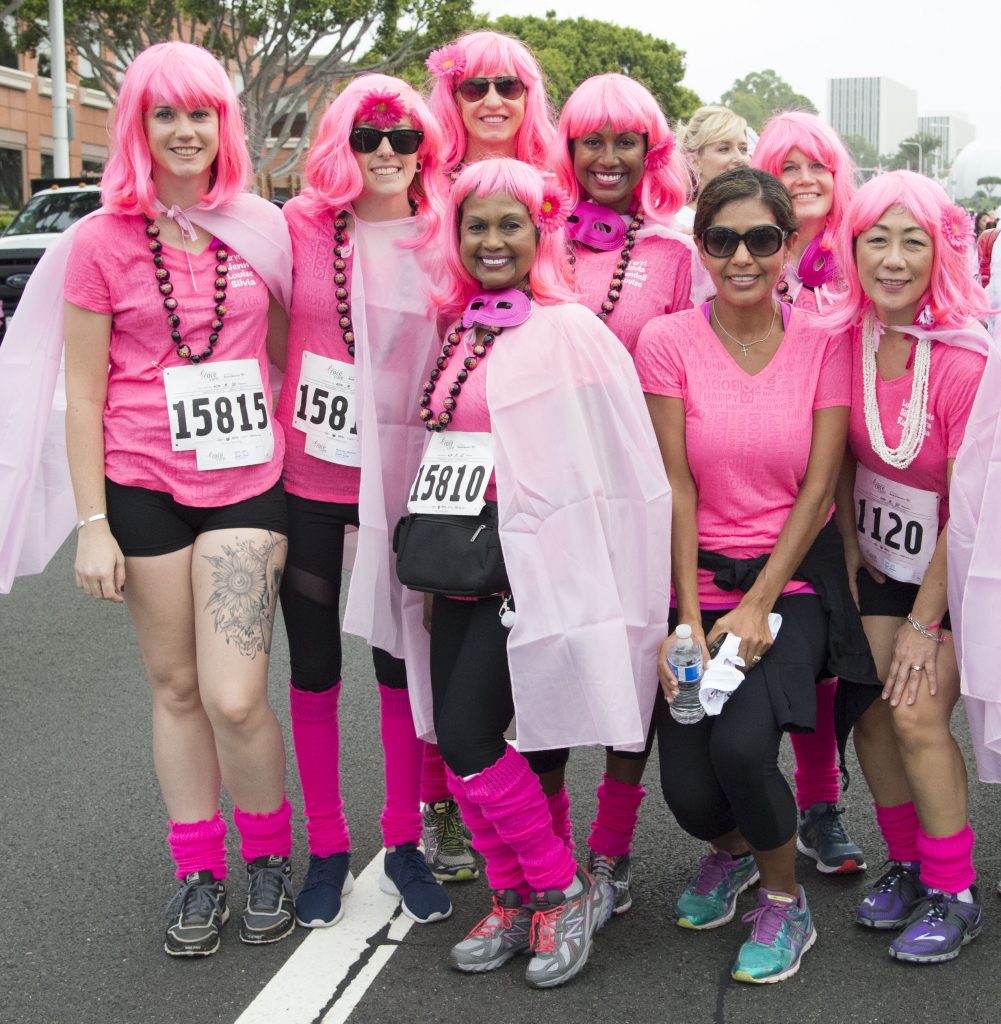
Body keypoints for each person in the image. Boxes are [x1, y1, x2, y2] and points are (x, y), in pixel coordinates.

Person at [405, 158, 670, 987]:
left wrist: (555, 567)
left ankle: (559, 886)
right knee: (454, 745)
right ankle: (516, 894)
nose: (492, 241)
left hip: (526, 576)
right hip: (457, 565)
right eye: (476, 226)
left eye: (509, 225)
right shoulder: (463, 326)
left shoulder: (569, 331)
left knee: (477, 739)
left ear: (539, 232)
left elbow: (612, 465)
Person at [60, 42, 295, 956]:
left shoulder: (260, 226)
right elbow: (82, 392)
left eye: (201, 113)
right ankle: (197, 870)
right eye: (165, 114)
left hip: (246, 481)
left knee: (236, 695)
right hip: (141, 482)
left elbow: (295, 345)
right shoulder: (99, 242)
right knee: (175, 685)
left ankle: (267, 854)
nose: (185, 130)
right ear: (138, 127)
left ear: (223, 125)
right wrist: (92, 526)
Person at [635, 166, 869, 984]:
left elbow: (817, 490)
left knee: (740, 751)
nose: (741, 256)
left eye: (760, 239)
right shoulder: (665, 341)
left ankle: (782, 901)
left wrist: (759, 606)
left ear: (786, 246)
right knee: (690, 795)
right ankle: (732, 855)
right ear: (699, 248)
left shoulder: (823, 342)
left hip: (791, 586)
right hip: (697, 587)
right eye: (722, 239)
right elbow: (676, 485)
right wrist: (688, 624)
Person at [272, 74, 471, 930]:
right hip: (312, 479)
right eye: (367, 137)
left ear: (425, 144)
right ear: (340, 146)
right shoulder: (298, 227)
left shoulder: (446, 236)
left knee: (401, 661)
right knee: (316, 666)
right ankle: (325, 847)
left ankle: (400, 843)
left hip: (408, 487)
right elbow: (274, 328)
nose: (387, 152)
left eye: (402, 137)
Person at [532, 72, 698, 915]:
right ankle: (552, 850)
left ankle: (611, 853)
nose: (606, 157)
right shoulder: (536, 236)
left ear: (648, 151)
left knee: (634, 672)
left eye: (623, 141)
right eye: (590, 140)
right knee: (553, 659)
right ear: (568, 147)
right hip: (547, 491)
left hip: (635, 496)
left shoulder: (673, 253)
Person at [832, 171, 989, 963]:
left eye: (912, 241)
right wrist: (850, 547)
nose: (891, 260)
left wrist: (926, 624)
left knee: (917, 712)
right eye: (876, 240)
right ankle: (905, 863)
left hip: (961, 567)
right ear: (850, 247)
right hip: (883, 555)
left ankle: (952, 890)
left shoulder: (966, 362)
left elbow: (967, 511)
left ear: (940, 253)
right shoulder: (841, 337)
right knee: (868, 711)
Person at [751, 109, 867, 875]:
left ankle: (826, 802)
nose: (802, 180)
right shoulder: (750, 259)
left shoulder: (866, 254)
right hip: (785, 490)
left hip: (871, 482)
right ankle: (807, 807)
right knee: (802, 660)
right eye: (785, 166)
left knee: (845, 665)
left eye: (815, 165)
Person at [753, 111, 857, 315]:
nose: (806, 179)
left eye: (818, 166)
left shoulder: (862, 253)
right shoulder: (744, 257)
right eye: (790, 168)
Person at [426, 30, 554, 175]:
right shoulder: (427, 191)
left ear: (528, 97)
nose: (493, 102)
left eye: (508, 86)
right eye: (474, 88)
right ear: (453, 100)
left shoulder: (558, 189)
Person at [675, 105, 750, 233]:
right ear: (694, 161)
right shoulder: (675, 224)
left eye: (743, 149)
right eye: (724, 149)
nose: (739, 158)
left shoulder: (755, 219)